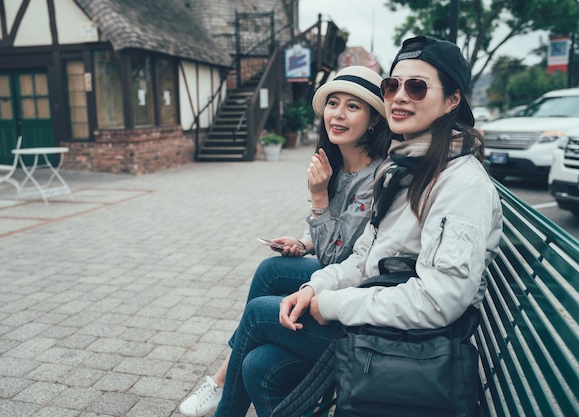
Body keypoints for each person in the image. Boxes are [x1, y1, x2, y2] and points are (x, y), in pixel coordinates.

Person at [210, 35, 504, 417]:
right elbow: (365, 257)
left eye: (416, 87)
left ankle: (218, 400)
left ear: (453, 100)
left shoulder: (460, 184)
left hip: (413, 345)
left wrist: (332, 303)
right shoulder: (410, 167)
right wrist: (314, 287)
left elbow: (438, 301)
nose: (399, 96)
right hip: (386, 324)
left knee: (261, 313)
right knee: (261, 364)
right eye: (392, 85)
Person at [178, 66, 392, 417]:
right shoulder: (338, 163)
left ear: (373, 121)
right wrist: (303, 242)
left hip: (355, 303)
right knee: (272, 274)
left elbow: (337, 257)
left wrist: (318, 198)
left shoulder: (374, 179)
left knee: (258, 323)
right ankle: (219, 384)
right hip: (340, 283)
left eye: (353, 107)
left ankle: (219, 388)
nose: (337, 114)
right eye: (333, 103)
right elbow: (331, 240)